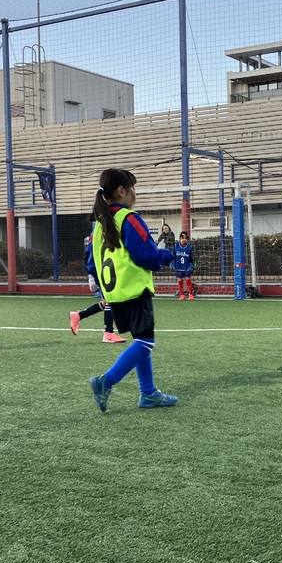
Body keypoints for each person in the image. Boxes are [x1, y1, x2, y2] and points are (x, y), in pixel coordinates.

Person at [87, 168, 178, 412]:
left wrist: (105, 288)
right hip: (134, 291)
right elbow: (147, 256)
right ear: (122, 191)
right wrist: (165, 256)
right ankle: (106, 382)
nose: (135, 193)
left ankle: (148, 393)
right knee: (146, 343)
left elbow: (91, 263)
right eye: (133, 188)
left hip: (115, 295)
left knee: (141, 341)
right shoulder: (128, 218)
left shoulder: (99, 225)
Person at [69, 216, 127, 344]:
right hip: (99, 268)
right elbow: (92, 255)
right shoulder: (99, 232)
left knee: (106, 302)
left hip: (100, 268)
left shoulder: (100, 230)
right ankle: (108, 333)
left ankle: (78, 316)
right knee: (110, 299)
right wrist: (95, 273)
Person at [173, 231, 195, 300]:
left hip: (186, 267)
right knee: (180, 281)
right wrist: (171, 263)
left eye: (185, 238)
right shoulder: (176, 246)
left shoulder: (189, 247)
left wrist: (190, 265)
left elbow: (191, 258)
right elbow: (172, 255)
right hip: (178, 267)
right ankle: (182, 295)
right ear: (179, 239)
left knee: (188, 280)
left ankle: (191, 294)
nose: (184, 240)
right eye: (182, 238)